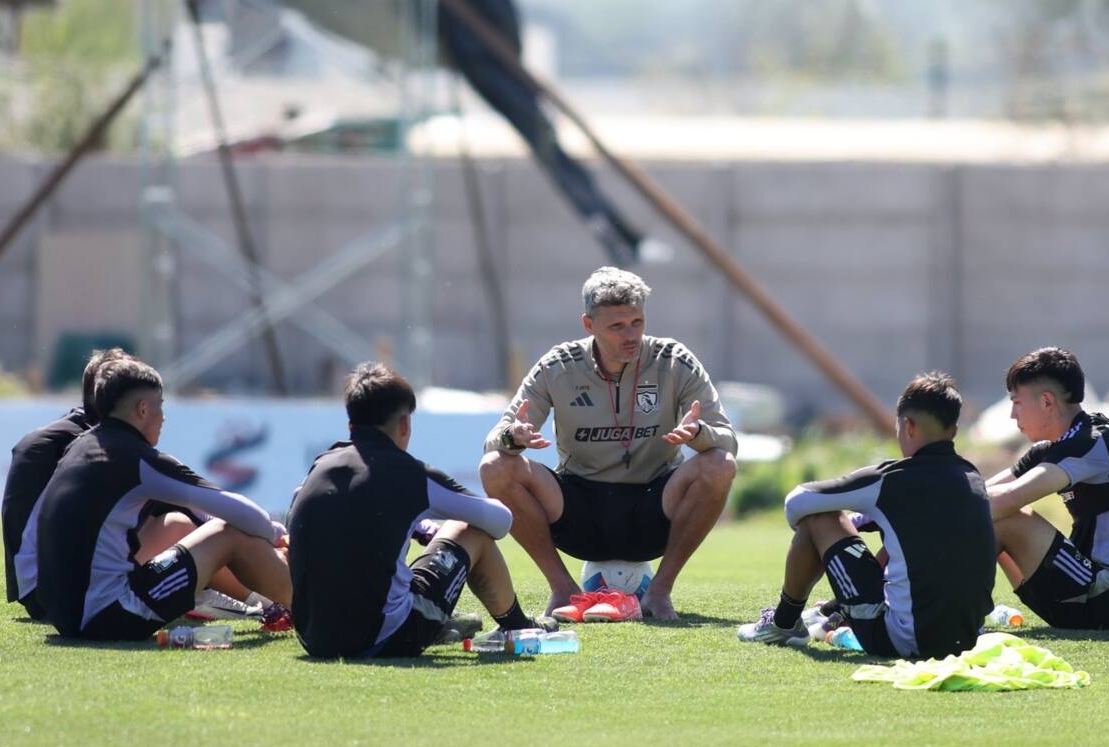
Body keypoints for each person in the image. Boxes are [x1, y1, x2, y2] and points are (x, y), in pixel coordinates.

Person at [479, 267, 737, 620]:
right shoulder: (558, 366)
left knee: (719, 464)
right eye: (617, 326)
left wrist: (700, 434)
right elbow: (495, 439)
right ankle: (562, 589)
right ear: (589, 325)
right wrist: (513, 437)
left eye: (637, 322)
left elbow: (728, 440)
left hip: (654, 505)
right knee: (495, 466)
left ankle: (659, 592)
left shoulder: (674, 360)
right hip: (577, 507)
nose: (630, 335)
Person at [287, 362, 555, 659]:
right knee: (470, 530)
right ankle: (518, 626)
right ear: (405, 425)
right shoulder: (410, 475)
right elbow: (500, 520)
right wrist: (430, 523)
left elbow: (324, 518)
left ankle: (438, 624)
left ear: (351, 426)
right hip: (381, 638)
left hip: (313, 640)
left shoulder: (321, 465)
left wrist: (415, 524)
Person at [739, 372, 995, 659]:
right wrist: (867, 520)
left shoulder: (892, 478)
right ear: (954, 431)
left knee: (819, 517)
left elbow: (797, 502)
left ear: (908, 426)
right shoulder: (973, 477)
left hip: (904, 640)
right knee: (903, 543)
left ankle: (784, 624)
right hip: (969, 638)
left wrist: (823, 535)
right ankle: (827, 612)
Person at [34, 356, 292, 640]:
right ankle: (307, 605)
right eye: (161, 406)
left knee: (177, 524)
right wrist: (274, 532)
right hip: (107, 616)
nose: (164, 417)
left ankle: (273, 600)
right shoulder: (136, 459)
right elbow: (239, 511)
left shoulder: (80, 447)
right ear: (143, 409)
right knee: (229, 531)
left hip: (65, 615)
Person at [437, 0, 667, 266]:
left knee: (558, 158)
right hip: (487, 63)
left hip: (497, 63)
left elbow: (504, 29)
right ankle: (615, 232)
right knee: (556, 157)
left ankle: (619, 233)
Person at [985, 347, 1109, 629]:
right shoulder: (1061, 442)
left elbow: (1008, 499)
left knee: (1007, 516)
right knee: (984, 511)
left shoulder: (1091, 442)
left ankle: (954, 615)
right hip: (1085, 589)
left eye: (1017, 403)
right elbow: (979, 491)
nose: (1013, 415)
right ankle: (952, 611)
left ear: (1047, 401)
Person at [2, 347, 127, 620]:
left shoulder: (65, 430)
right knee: (168, 524)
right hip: (57, 592)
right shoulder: (92, 442)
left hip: (32, 590)